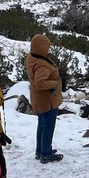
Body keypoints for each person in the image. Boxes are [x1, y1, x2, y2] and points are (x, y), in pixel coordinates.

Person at [25, 34, 63, 163]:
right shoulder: (42, 64)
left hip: (38, 99)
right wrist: (55, 83)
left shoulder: (32, 57)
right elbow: (40, 83)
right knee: (48, 125)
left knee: (42, 124)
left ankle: (40, 150)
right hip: (47, 100)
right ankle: (46, 153)